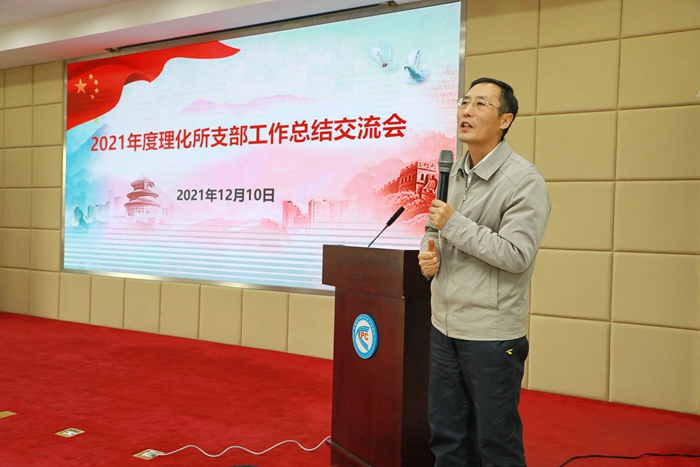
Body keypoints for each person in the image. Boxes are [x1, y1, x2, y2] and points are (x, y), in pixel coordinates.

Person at [418, 77, 550, 467]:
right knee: (447, 437)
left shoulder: (524, 181)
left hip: (492, 336)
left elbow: (516, 254)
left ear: (505, 120)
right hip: (444, 326)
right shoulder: (452, 171)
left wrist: (453, 224)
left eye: (480, 104)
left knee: (496, 443)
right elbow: (434, 229)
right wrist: (428, 253)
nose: (467, 111)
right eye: (464, 102)